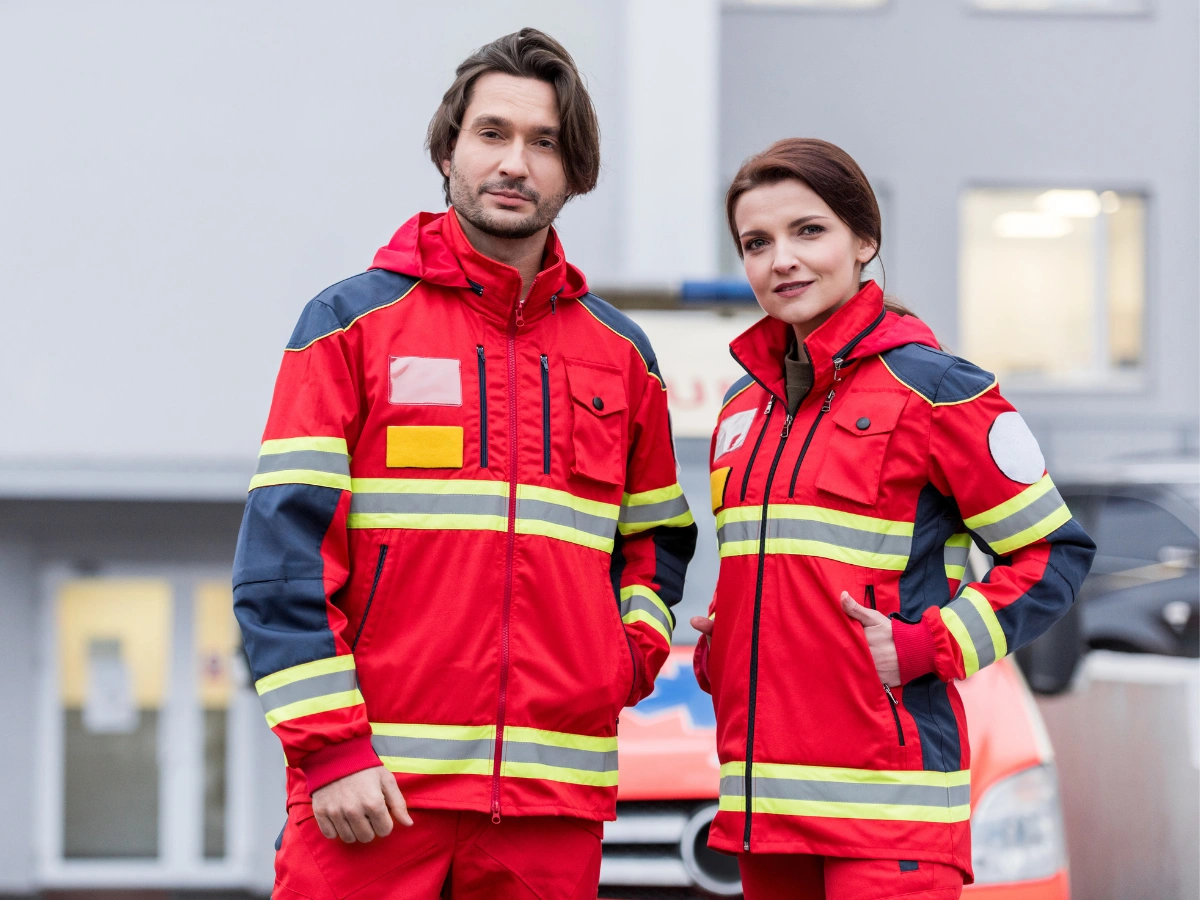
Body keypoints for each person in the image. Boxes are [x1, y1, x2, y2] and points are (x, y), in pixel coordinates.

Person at [233, 28, 696, 899]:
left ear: (574, 171)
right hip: (371, 796)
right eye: (492, 133)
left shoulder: (623, 357)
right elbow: (282, 558)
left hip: (550, 807)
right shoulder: (348, 325)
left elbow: (660, 539)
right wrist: (330, 749)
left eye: (544, 142)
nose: (515, 162)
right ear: (449, 149)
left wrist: (625, 655)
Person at [690, 138, 1095, 899]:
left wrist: (928, 644)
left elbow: (1054, 555)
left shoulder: (939, 390)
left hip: (890, 814)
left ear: (864, 240)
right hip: (760, 808)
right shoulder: (740, 413)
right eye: (757, 242)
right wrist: (726, 643)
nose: (782, 259)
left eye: (809, 231)